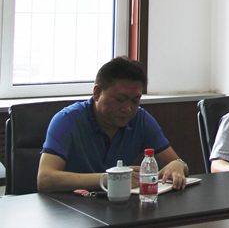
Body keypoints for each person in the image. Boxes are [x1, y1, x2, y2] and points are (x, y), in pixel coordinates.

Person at [38, 56, 188, 192]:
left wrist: (178, 165)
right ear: (97, 93)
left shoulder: (140, 119)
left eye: (135, 101)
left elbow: (178, 163)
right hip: (72, 206)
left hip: (121, 204)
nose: (128, 109)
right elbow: (44, 179)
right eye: (120, 100)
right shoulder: (67, 120)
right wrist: (110, 179)